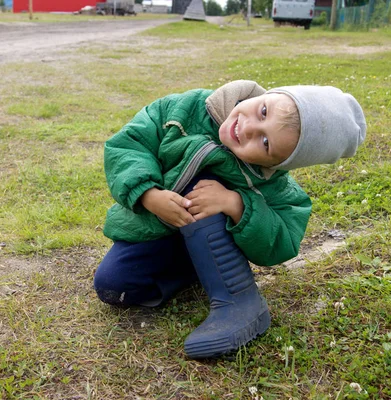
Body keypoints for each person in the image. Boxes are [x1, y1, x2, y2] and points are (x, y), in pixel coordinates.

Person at [94, 80, 367, 359]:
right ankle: (197, 270)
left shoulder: (274, 185)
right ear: (267, 95)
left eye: (265, 143)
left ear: (278, 164)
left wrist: (237, 204)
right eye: (263, 111)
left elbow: (282, 240)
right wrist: (148, 195)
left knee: (204, 181)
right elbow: (128, 144)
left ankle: (239, 302)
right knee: (114, 285)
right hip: (161, 231)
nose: (248, 129)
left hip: (210, 229)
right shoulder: (183, 109)